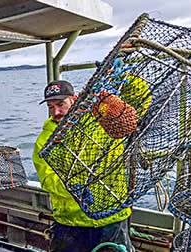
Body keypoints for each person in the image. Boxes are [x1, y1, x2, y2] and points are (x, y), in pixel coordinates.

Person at [32, 80, 134, 252]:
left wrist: (127, 74)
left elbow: (139, 100)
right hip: (71, 224)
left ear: (74, 99)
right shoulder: (45, 140)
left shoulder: (102, 120)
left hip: (111, 219)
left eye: (60, 104)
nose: (56, 112)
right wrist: (74, 189)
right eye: (50, 107)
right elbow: (48, 179)